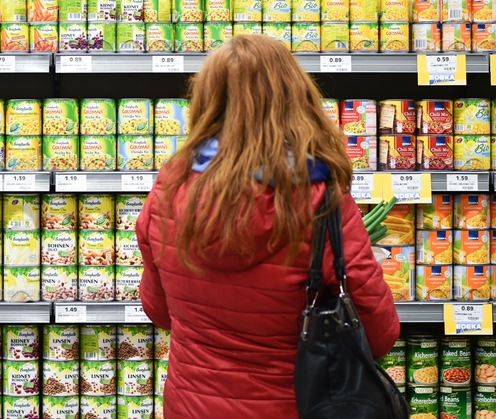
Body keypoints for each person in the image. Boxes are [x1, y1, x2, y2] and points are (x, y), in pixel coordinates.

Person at [136, 35, 400, 418]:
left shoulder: (170, 186)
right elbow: (380, 333)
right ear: (296, 98)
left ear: (207, 100)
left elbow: (158, 311)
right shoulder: (320, 198)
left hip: (193, 405)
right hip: (295, 404)